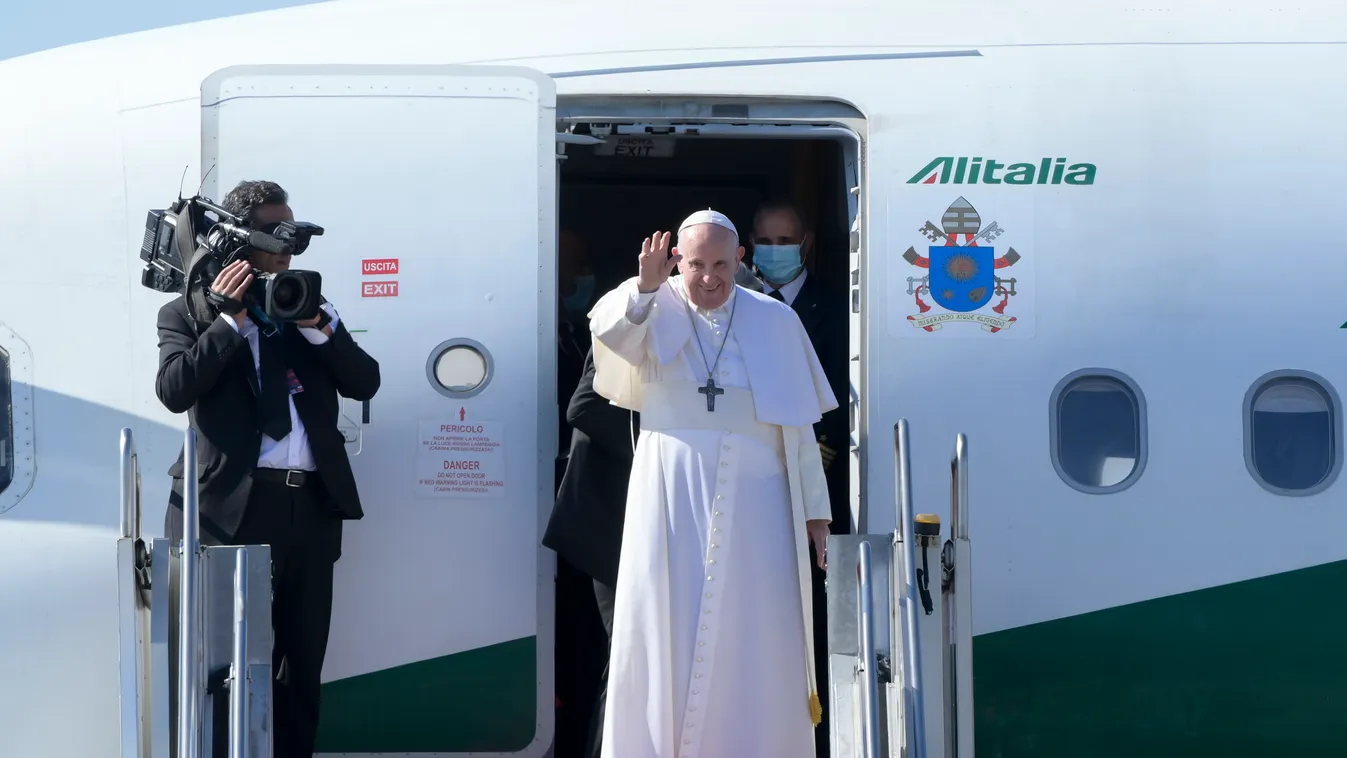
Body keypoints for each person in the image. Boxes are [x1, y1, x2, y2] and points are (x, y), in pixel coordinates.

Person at [589, 209, 836, 758]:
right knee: (665, 624)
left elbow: (798, 426)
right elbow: (610, 333)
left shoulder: (774, 320)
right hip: (669, 496)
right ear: (678, 259)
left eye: (721, 264)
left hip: (759, 502)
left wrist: (815, 515)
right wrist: (646, 286)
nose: (708, 278)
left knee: (755, 631)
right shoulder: (649, 302)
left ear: (740, 259)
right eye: (696, 264)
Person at [155, 179, 380, 758]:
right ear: (239, 237)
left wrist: (318, 328)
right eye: (277, 235)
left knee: (300, 662)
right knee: (223, 661)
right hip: (232, 510)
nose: (288, 250)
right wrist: (229, 324)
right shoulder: (186, 312)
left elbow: (365, 381)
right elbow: (175, 390)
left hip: (307, 508)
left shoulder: (309, 306)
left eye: (294, 235)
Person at [750, 199, 852, 756]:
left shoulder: (834, 309)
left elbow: (837, 397)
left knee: (809, 614)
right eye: (764, 241)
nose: (774, 253)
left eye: (784, 242)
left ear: (806, 243)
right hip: (750, 483)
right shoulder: (738, 306)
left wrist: (815, 459)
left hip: (814, 480)